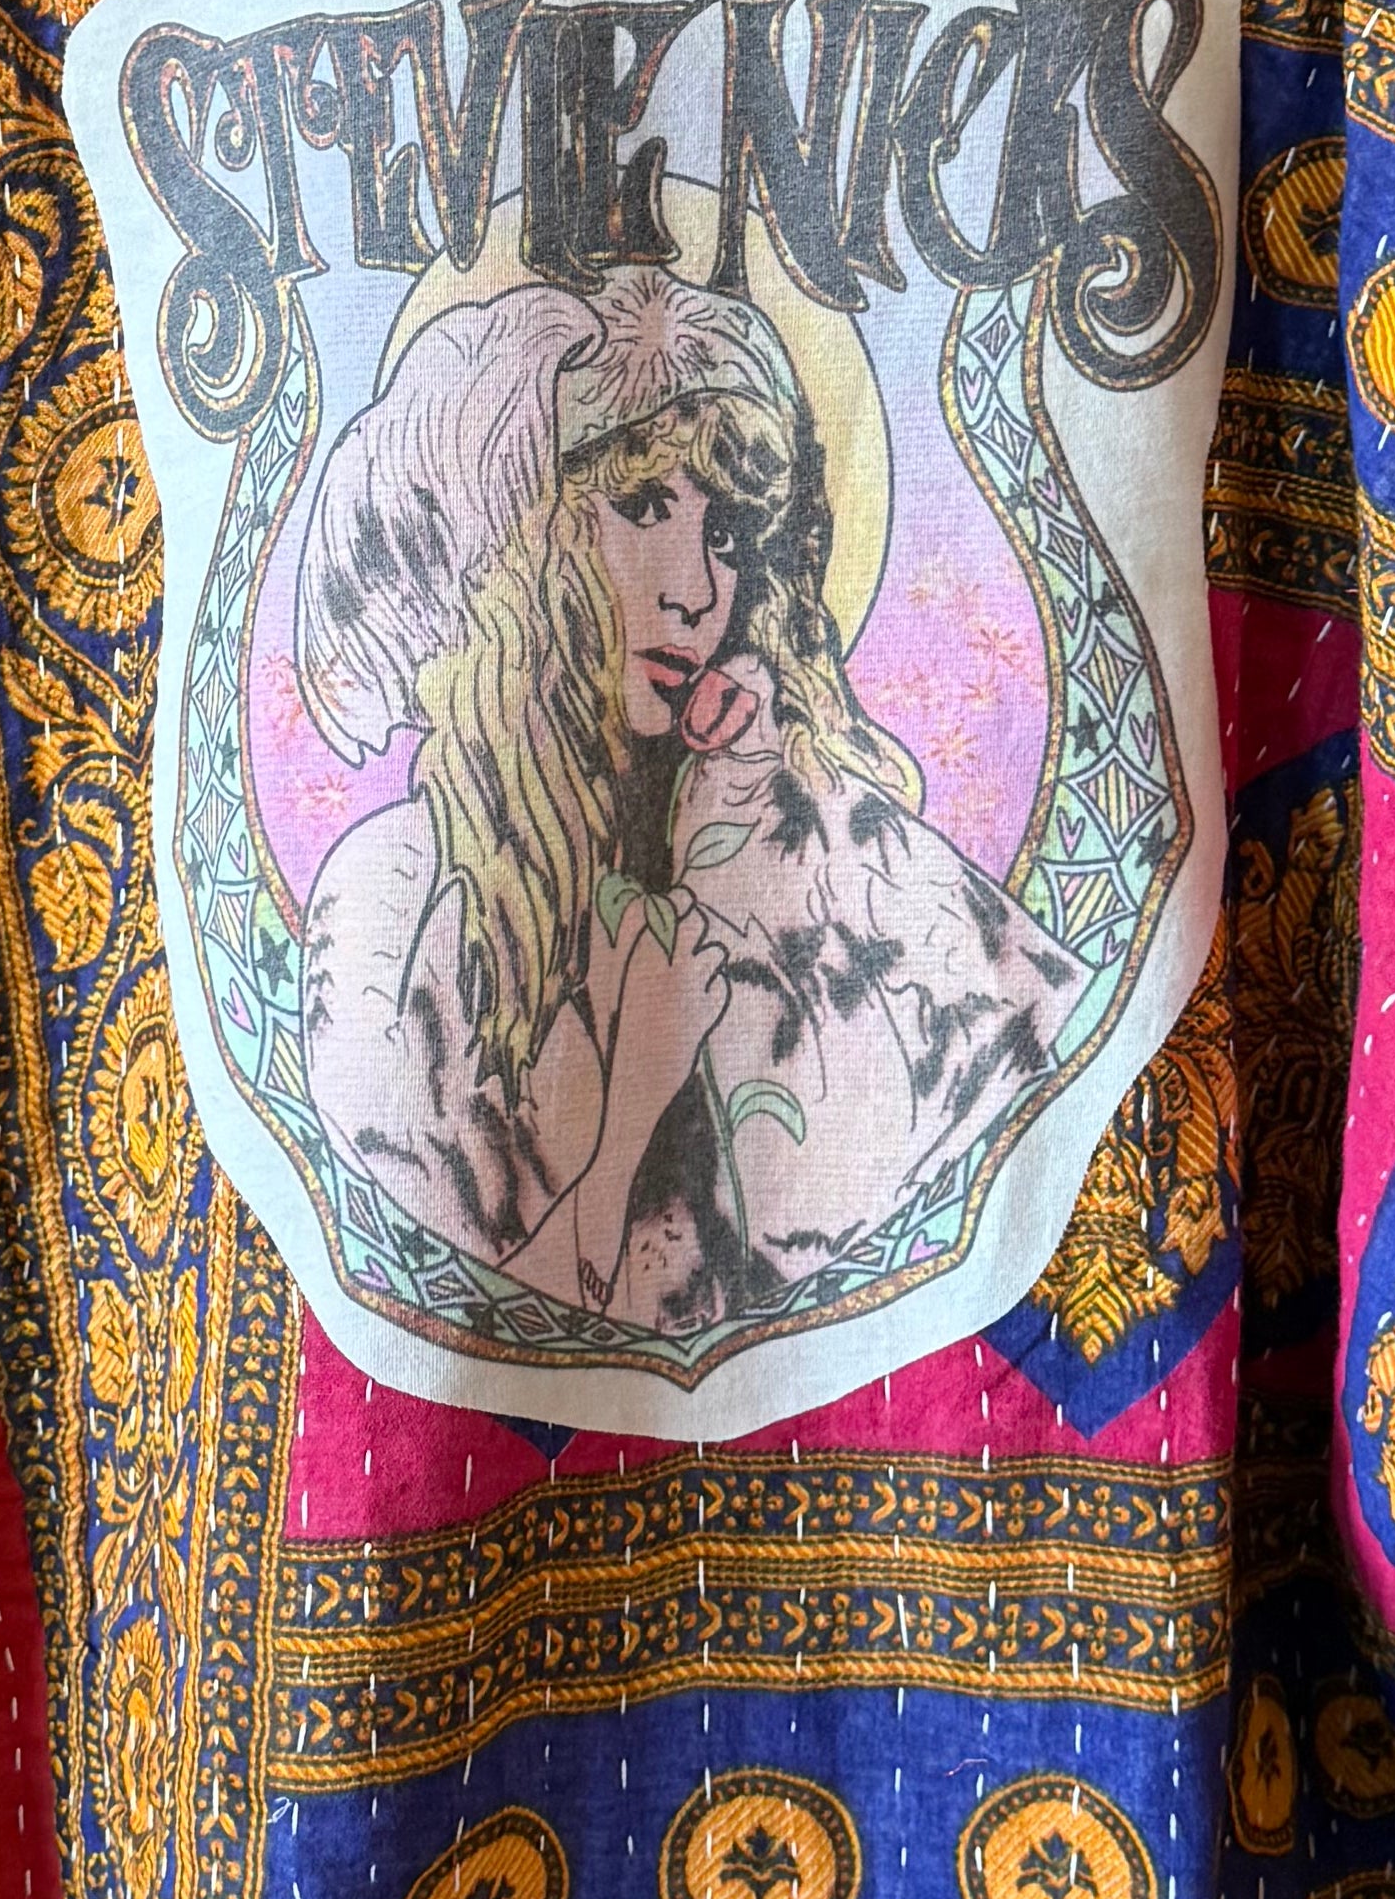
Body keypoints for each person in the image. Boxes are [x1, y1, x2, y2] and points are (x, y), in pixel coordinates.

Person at [288, 263, 1077, 1363]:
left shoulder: (751, 799)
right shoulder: (394, 894)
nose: (698, 591)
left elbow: (1017, 1092)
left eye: (729, 535)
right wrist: (629, 1109)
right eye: (644, 507)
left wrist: (790, 831)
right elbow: (417, 1321)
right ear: (521, 537)